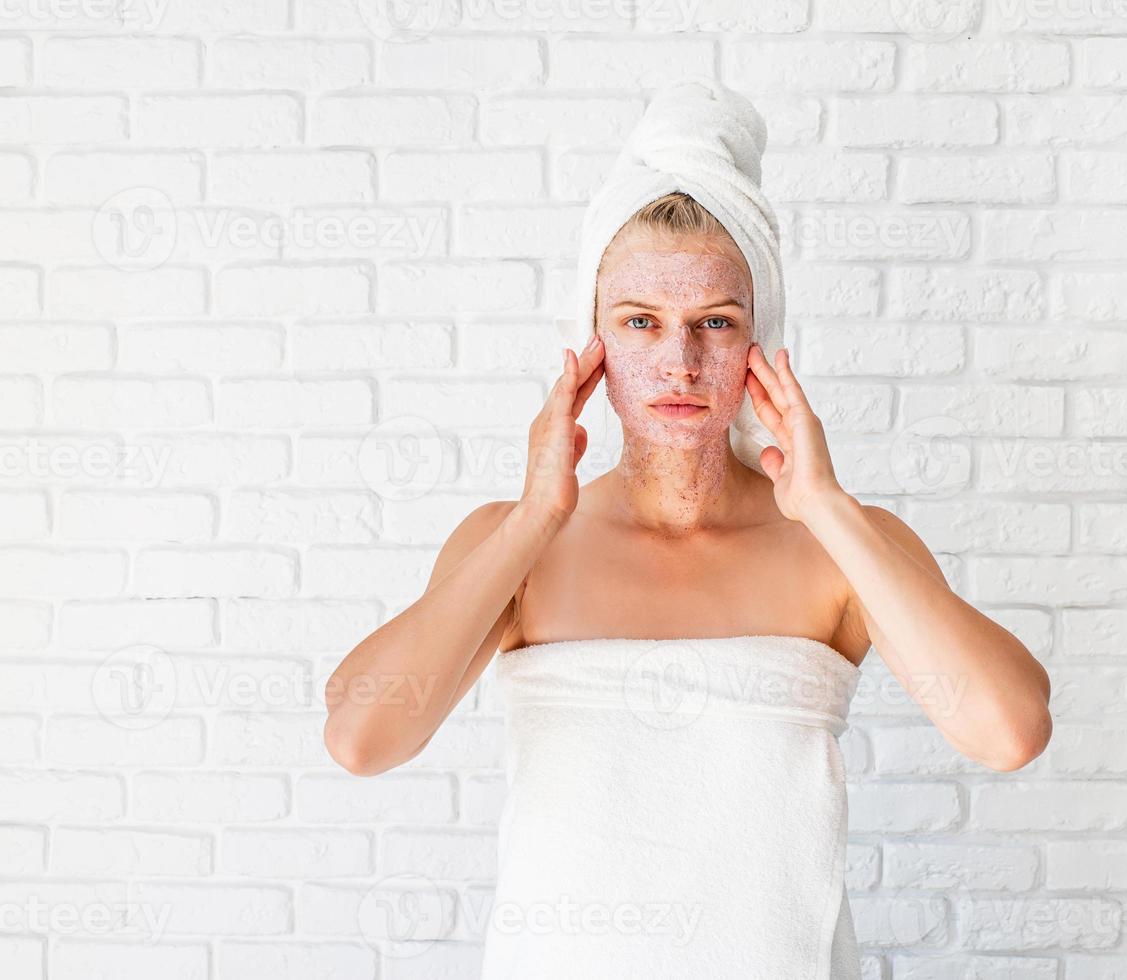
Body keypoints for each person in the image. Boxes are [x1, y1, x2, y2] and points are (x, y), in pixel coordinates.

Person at [323, 83, 1050, 978]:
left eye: (715, 322)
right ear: (590, 342)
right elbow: (361, 739)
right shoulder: (511, 545)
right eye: (640, 322)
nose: (678, 361)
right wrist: (536, 516)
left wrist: (827, 508)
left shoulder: (839, 545)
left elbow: (1008, 731)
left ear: (761, 340)